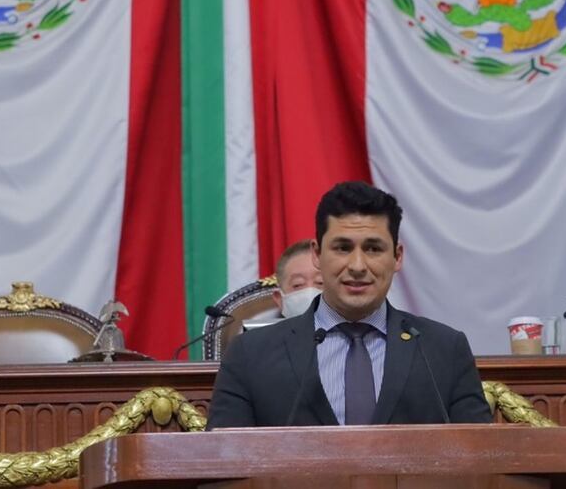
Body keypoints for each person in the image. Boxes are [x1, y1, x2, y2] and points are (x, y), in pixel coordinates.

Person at [207, 181, 491, 428]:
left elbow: (483, 463)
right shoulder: (250, 354)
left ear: (398, 257)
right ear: (317, 255)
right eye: (343, 248)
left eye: (373, 248)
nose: (357, 266)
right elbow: (222, 466)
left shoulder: (444, 350)